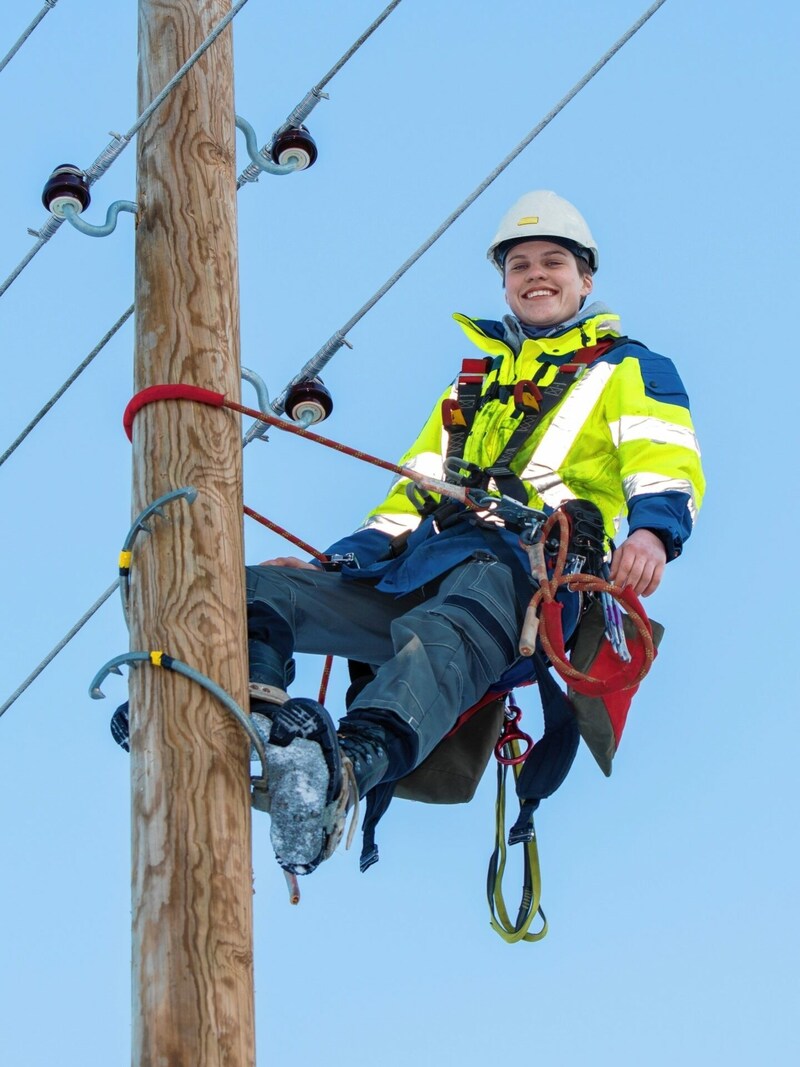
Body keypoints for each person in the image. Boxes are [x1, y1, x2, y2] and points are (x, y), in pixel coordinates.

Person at [246, 190, 705, 876]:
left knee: (447, 625)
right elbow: (409, 498)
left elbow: (663, 454)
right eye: (520, 264)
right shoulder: (471, 388)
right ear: (504, 281)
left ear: (586, 280)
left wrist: (653, 535)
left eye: (555, 261)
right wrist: (337, 563)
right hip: (422, 563)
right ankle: (250, 714)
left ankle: (339, 771)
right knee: (260, 590)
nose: (537, 274)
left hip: (525, 575)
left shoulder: (625, 368)